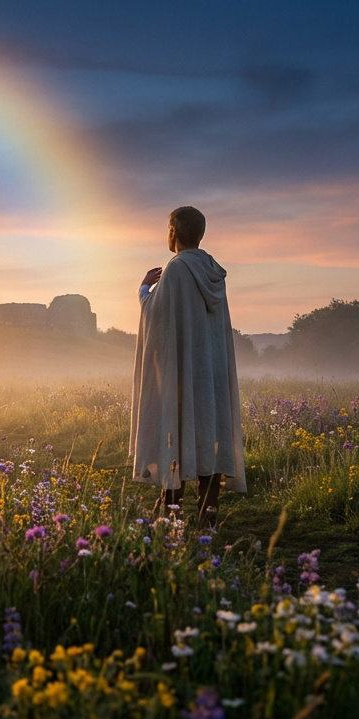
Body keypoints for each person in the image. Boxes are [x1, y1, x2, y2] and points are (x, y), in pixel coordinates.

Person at [130, 206, 245, 527]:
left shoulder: (177, 269)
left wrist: (143, 289)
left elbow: (157, 317)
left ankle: (173, 512)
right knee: (209, 433)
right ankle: (208, 514)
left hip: (183, 374)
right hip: (211, 372)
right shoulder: (213, 271)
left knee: (176, 433)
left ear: (172, 232)